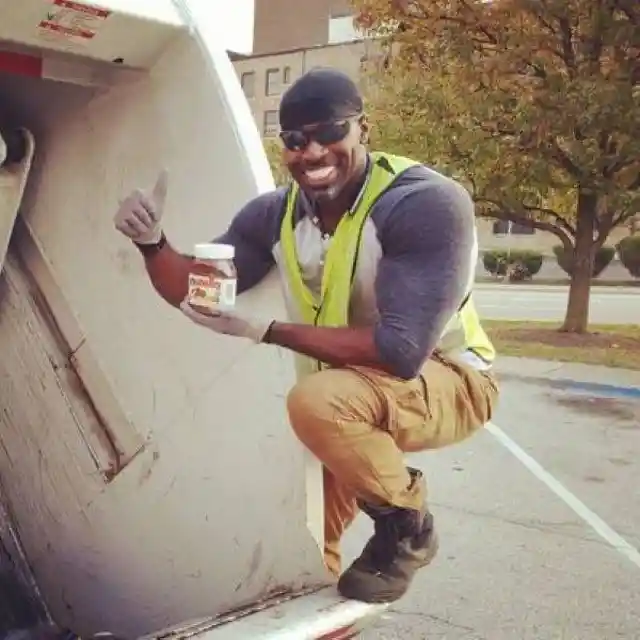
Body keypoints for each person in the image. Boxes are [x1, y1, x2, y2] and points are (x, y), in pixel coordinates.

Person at [113, 68, 499, 605]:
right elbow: (200, 291)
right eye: (295, 140)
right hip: (348, 399)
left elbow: (402, 352)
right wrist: (152, 242)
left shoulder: (423, 203)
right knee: (310, 554)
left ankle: (409, 528)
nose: (312, 151)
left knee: (316, 404)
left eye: (330, 132)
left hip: (452, 381)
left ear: (364, 127)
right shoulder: (274, 214)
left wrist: (266, 330)